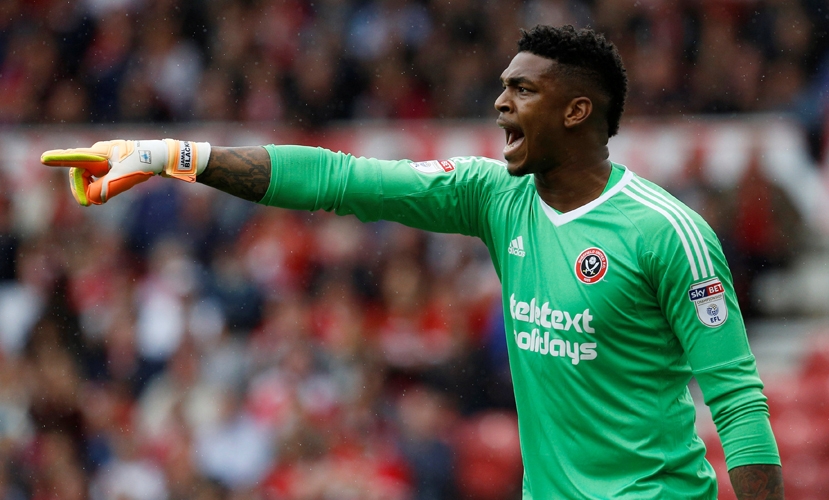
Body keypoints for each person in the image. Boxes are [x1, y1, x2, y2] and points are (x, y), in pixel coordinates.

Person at [41, 25, 784, 500]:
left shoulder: (666, 233)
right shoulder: (497, 198)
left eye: (521, 89)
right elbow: (340, 180)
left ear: (577, 111)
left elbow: (739, 405)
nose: (498, 105)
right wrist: (167, 156)